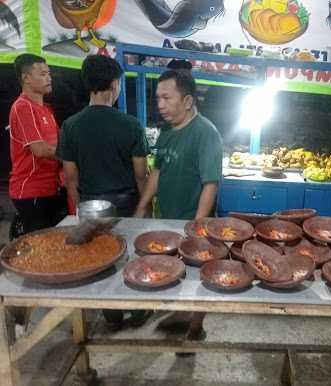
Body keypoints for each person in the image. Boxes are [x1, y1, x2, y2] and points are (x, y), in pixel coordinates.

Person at [57, 54, 151, 331]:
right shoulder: (130, 125)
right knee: (131, 257)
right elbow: (140, 175)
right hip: (125, 205)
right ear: (114, 84)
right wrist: (144, 209)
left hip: (90, 206)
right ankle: (137, 309)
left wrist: (80, 209)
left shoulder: (71, 125)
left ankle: (110, 315)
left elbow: (70, 177)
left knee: (99, 259)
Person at [134, 67, 223, 341]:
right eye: (158, 98)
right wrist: (142, 207)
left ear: (187, 101)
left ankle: (194, 328)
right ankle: (179, 316)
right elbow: (157, 172)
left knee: (198, 280)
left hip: (194, 222)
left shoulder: (206, 133)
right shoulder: (166, 132)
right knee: (172, 271)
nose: (160, 105)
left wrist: (197, 224)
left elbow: (211, 183)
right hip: (168, 221)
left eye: (167, 98)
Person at [8, 54, 66, 235]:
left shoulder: (46, 109)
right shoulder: (23, 107)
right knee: (42, 249)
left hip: (51, 188)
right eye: (42, 74)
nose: (49, 78)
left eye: (49, 73)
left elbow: (63, 141)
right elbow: (40, 149)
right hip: (31, 190)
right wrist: (72, 156)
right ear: (26, 78)